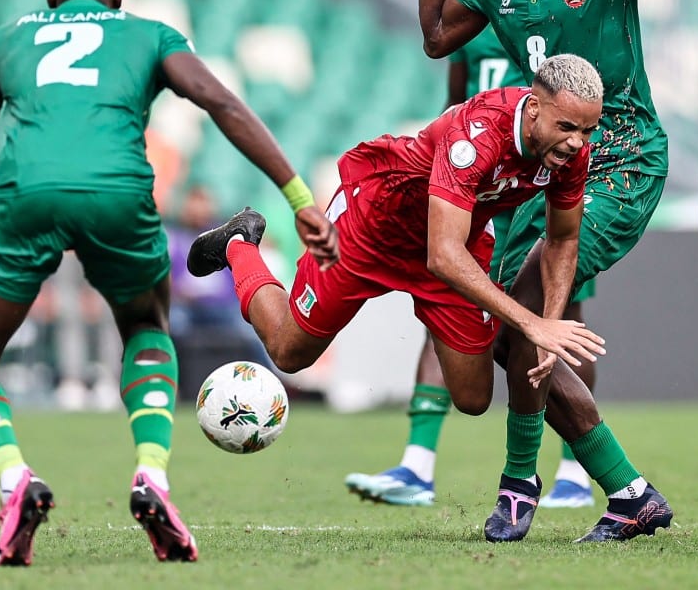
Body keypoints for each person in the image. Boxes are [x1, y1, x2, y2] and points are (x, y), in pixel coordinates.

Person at [0, 0, 337, 567]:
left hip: (25, 192)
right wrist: (296, 196)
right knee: (145, 330)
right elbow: (221, 102)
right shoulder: (146, 32)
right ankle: (152, 473)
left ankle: (14, 478)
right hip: (119, 192)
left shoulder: (2, 42)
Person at [418, 0, 698, 543]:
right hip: (543, 168)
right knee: (512, 334)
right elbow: (438, 36)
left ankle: (518, 485)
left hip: (620, 153)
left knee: (529, 307)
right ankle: (627, 493)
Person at [187, 56, 608, 456]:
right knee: (288, 352)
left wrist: (549, 325)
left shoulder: (571, 151)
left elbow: (562, 240)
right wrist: (531, 323)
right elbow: (442, 256)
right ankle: (239, 244)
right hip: (372, 225)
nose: (577, 142)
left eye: (587, 131)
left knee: (474, 398)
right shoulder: (477, 134)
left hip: (454, 239)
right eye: (568, 126)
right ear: (534, 107)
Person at [344, 0, 599, 510]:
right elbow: (452, 108)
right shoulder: (471, 30)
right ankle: (418, 464)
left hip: (544, 178)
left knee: (561, 314)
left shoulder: (550, 18)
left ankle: (573, 471)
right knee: (450, 296)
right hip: (480, 188)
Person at [166, 184, 276, 372]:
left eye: (202, 204)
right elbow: (167, 280)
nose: (197, 211)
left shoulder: (225, 236)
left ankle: (270, 376)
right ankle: (172, 379)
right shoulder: (174, 238)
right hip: (187, 308)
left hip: (222, 307)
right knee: (172, 323)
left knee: (250, 329)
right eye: (193, 204)